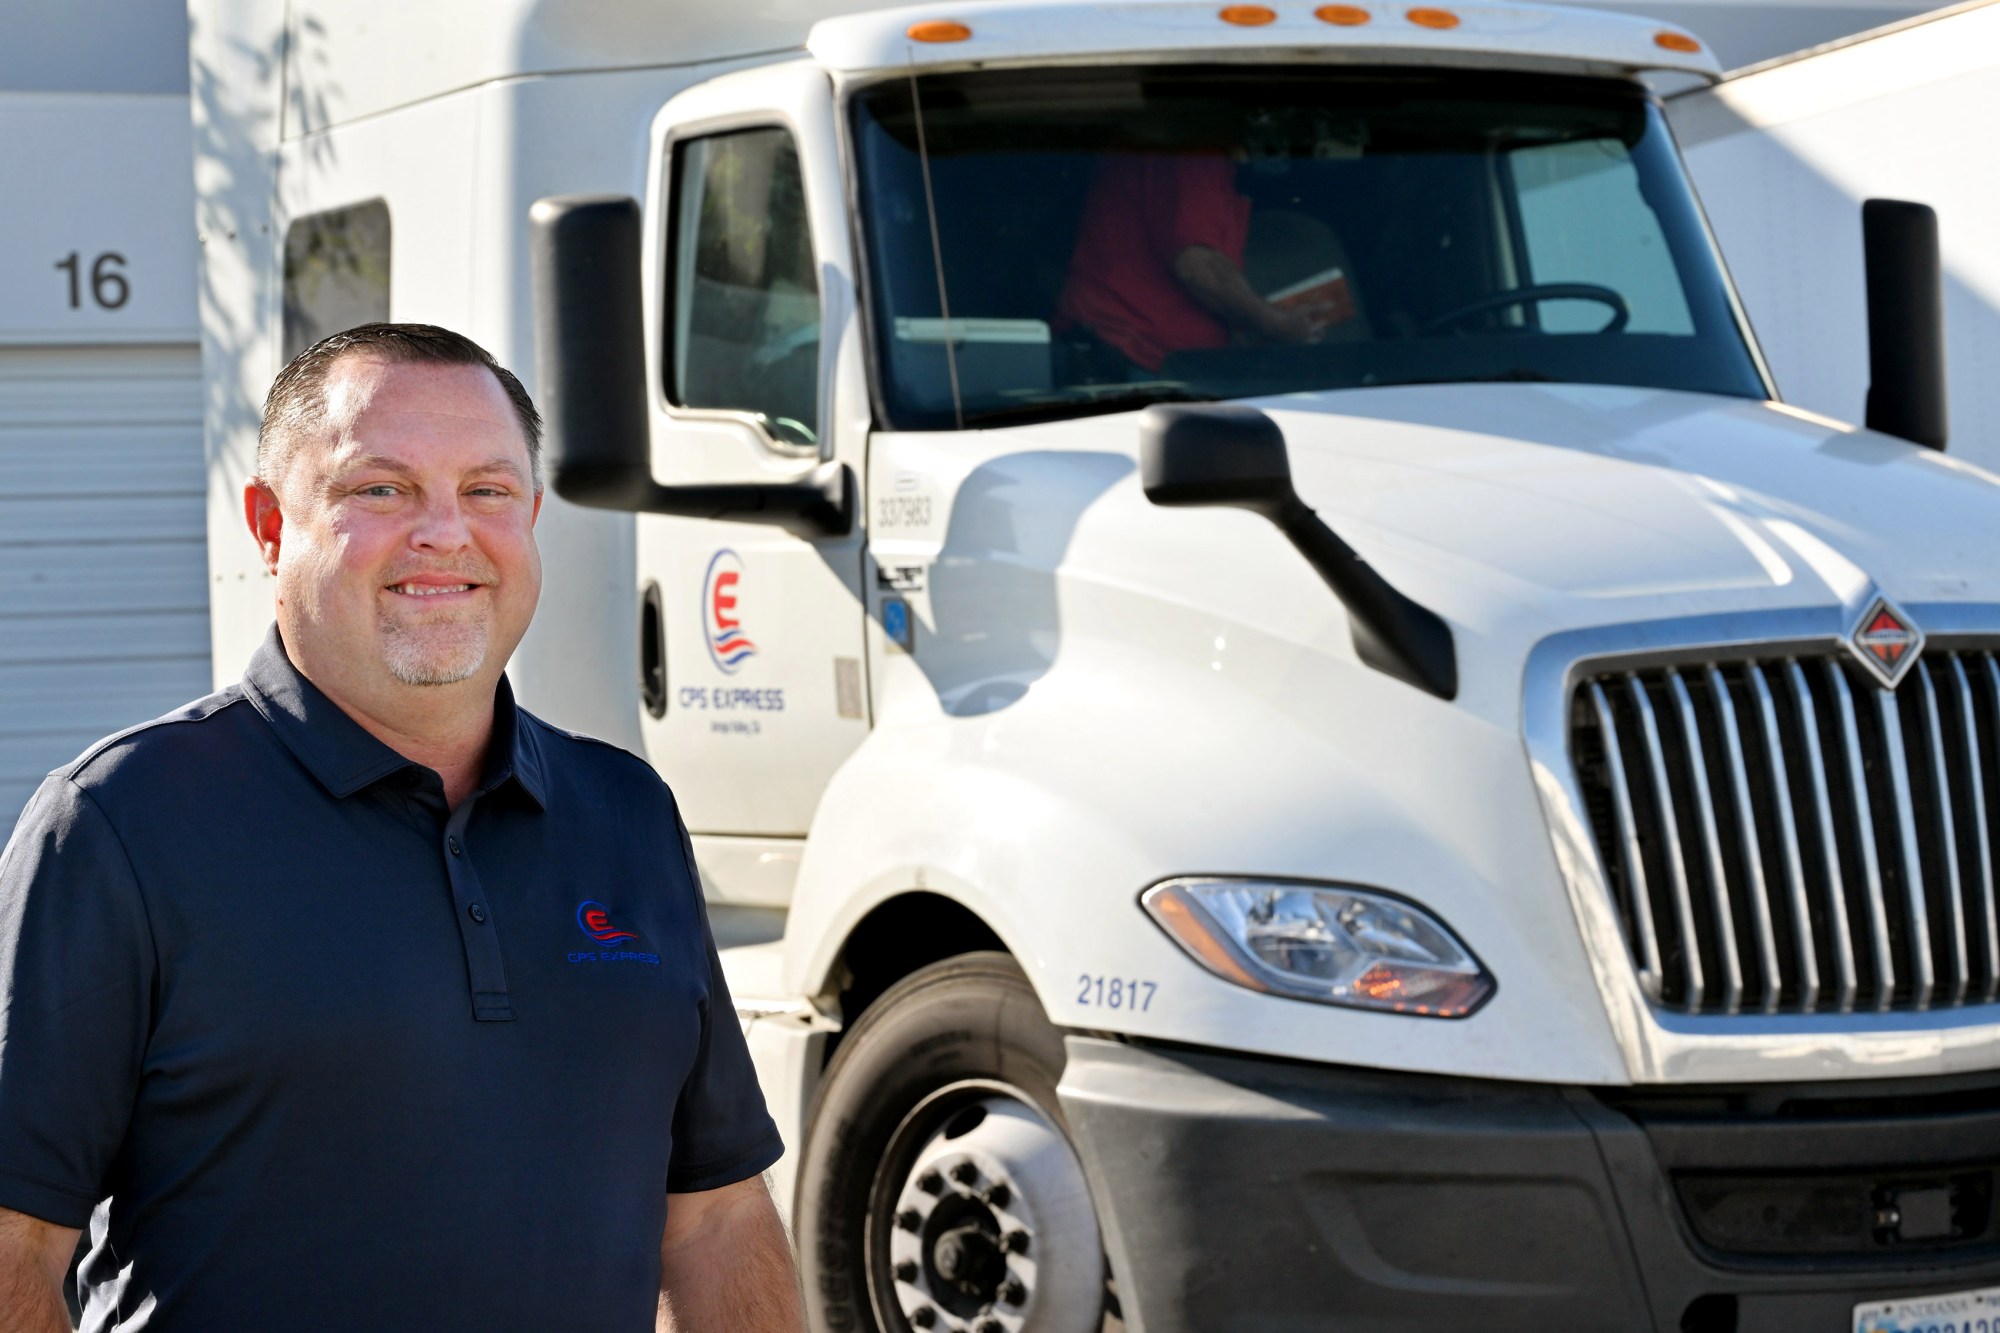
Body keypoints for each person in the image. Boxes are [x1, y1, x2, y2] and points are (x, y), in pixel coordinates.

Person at [0, 323, 803, 1332]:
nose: (444, 533)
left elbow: (717, 1217)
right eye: (379, 489)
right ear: (266, 524)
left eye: (487, 490)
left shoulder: (625, 813)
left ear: (532, 516)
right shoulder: (119, 824)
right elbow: (12, 1247)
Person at [1055, 152, 1337, 378]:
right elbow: (1198, 267)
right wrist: (1273, 322)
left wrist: (1244, 322)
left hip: (1160, 364)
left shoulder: (1201, 162)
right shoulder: (1195, 157)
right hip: (1133, 362)